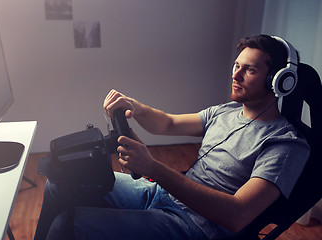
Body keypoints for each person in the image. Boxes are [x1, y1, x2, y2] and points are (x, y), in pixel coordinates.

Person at [34, 35, 310, 240]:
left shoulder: (286, 145)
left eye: (249, 69)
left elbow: (237, 216)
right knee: (60, 183)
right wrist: (135, 107)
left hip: (196, 227)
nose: (235, 74)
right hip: (165, 195)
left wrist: (153, 168)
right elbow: (166, 123)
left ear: (279, 80)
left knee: (66, 227)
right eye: (236, 65)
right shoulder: (225, 112)